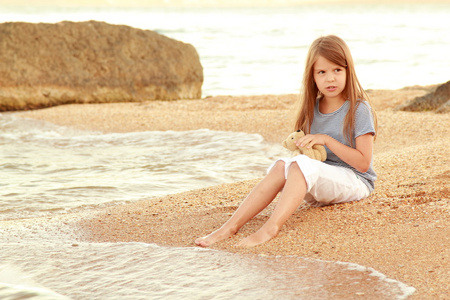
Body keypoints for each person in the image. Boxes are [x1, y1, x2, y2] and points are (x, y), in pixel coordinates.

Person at [195, 35, 378, 248]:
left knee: (300, 166)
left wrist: (326, 140)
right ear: (313, 77)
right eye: (322, 72)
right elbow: (311, 159)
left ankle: (270, 227)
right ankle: (230, 226)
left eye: (337, 70)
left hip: (355, 182)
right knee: (283, 164)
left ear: (348, 71)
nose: (330, 78)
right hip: (319, 182)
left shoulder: (359, 109)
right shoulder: (312, 110)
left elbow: (364, 164)